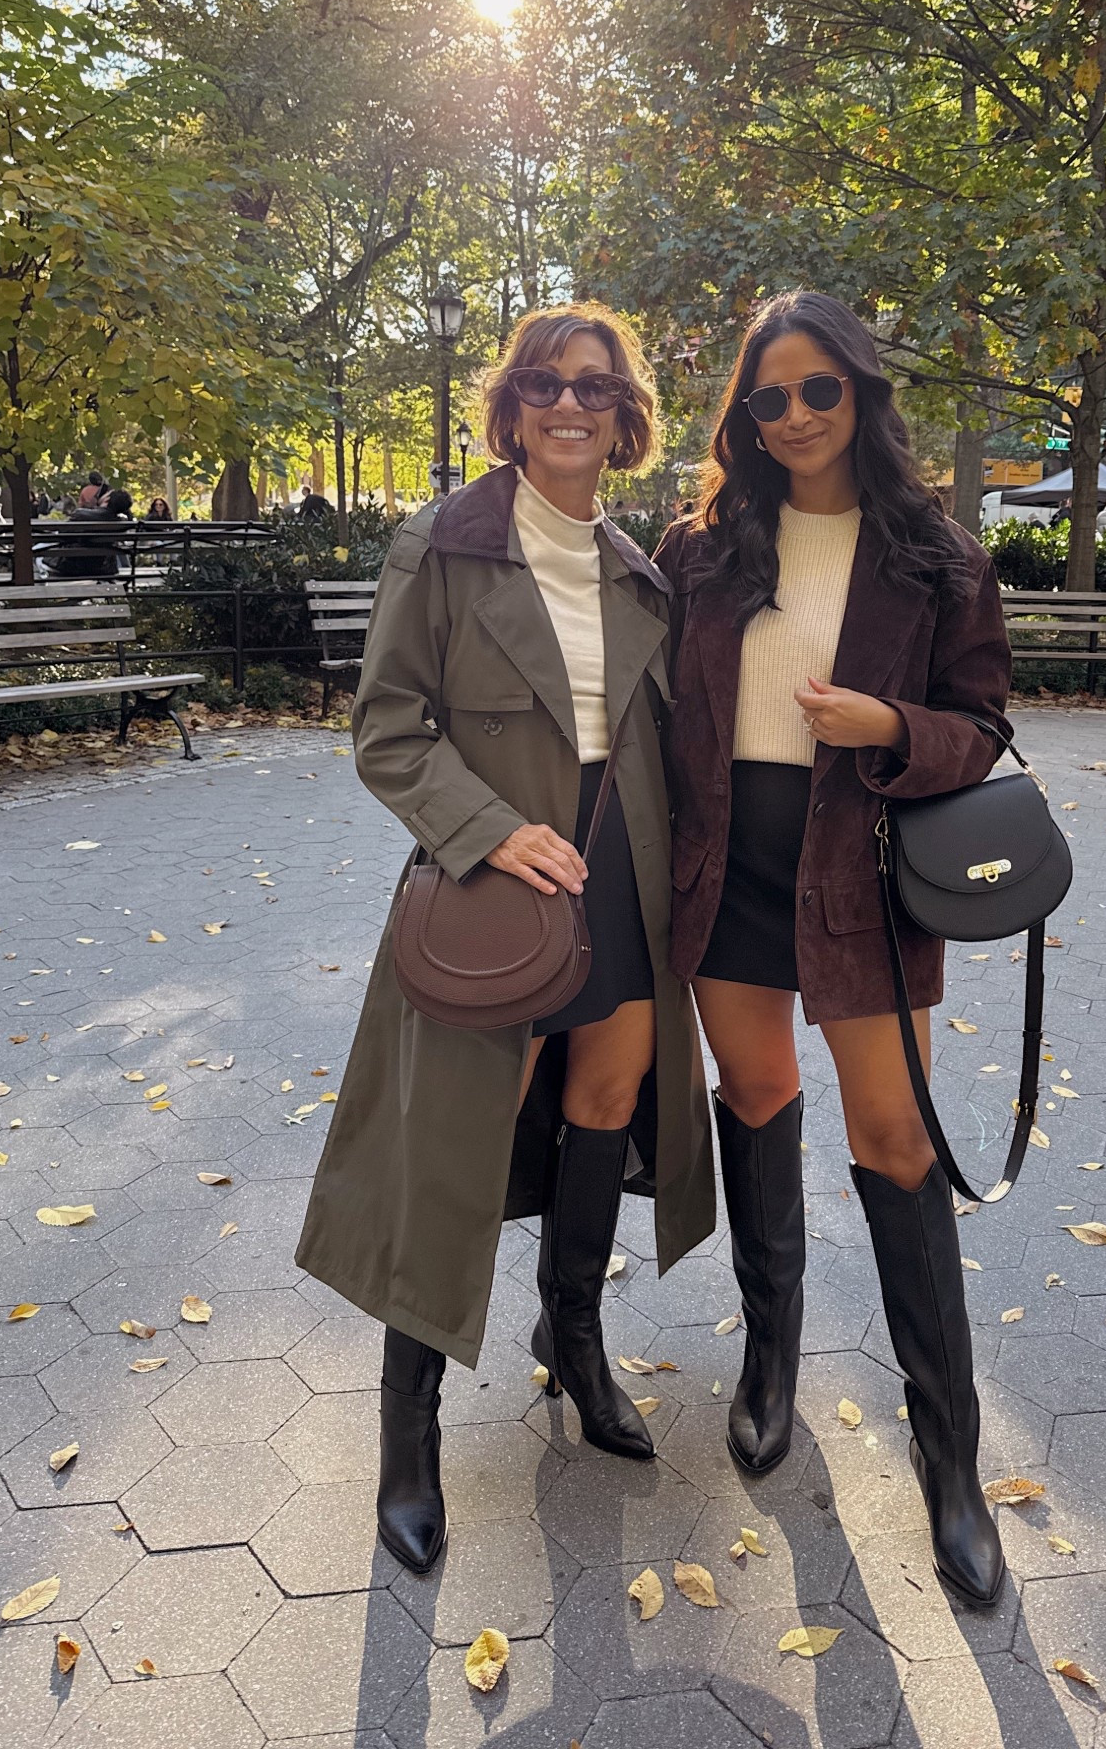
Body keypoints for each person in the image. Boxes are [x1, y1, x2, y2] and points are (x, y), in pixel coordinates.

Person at [295, 301, 714, 1576]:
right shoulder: (449, 541)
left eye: (594, 386)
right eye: (544, 383)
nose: (569, 402)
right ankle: (407, 1431)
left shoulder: (638, 566)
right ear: (513, 405)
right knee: (454, 1139)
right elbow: (389, 727)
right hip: (494, 885)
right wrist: (487, 829)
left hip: (622, 874)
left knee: (607, 1093)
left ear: (626, 414)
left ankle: (574, 1340)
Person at [655, 290, 1013, 1610]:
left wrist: (889, 724)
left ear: (862, 390)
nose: (797, 414)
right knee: (756, 1099)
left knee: (896, 1143)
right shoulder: (702, 551)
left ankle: (951, 1459)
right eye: (770, 396)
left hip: (864, 876)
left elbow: (980, 727)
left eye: (820, 388)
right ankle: (770, 1366)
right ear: (744, 417)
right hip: (727, 876)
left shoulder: (937, 556)